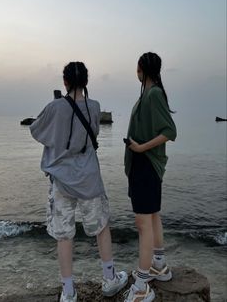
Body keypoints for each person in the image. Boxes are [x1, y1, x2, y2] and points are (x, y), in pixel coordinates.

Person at [30, 61, 128, 302]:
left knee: (64, 235)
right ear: (86, 82)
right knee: (101, 227)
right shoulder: (94, 107)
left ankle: (68, 291)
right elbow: (92, 133)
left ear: (65, 82)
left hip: (62, 180)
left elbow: (35, 131)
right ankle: (109, 279)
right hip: (89, 178)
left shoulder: (55, 107)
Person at [123, 52, 177, 302]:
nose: (135, 71)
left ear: (142, 69)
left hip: (146, 165)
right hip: (145, 165)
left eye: (137, 67)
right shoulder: (149, 92)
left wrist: (142, 148)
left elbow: (170, 131)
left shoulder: (153, 93)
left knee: (142, 224)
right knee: (153, 216)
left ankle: (142, 286)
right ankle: (159, 264)